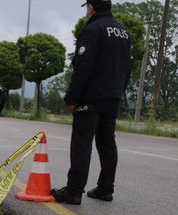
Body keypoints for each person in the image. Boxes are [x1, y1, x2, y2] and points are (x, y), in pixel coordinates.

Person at [51, 0, 131, 204]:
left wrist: (72, 98)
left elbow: (83, 67)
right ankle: (105, 189)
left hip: (91, 97)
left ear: (92, 7)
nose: (87, 11)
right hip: (113, 96)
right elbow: (127, 67)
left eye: (87, 7)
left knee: (81, 142)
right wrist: (118, 92)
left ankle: (73, 191)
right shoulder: (122, 31)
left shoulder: (92, 29)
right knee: (107, 143)